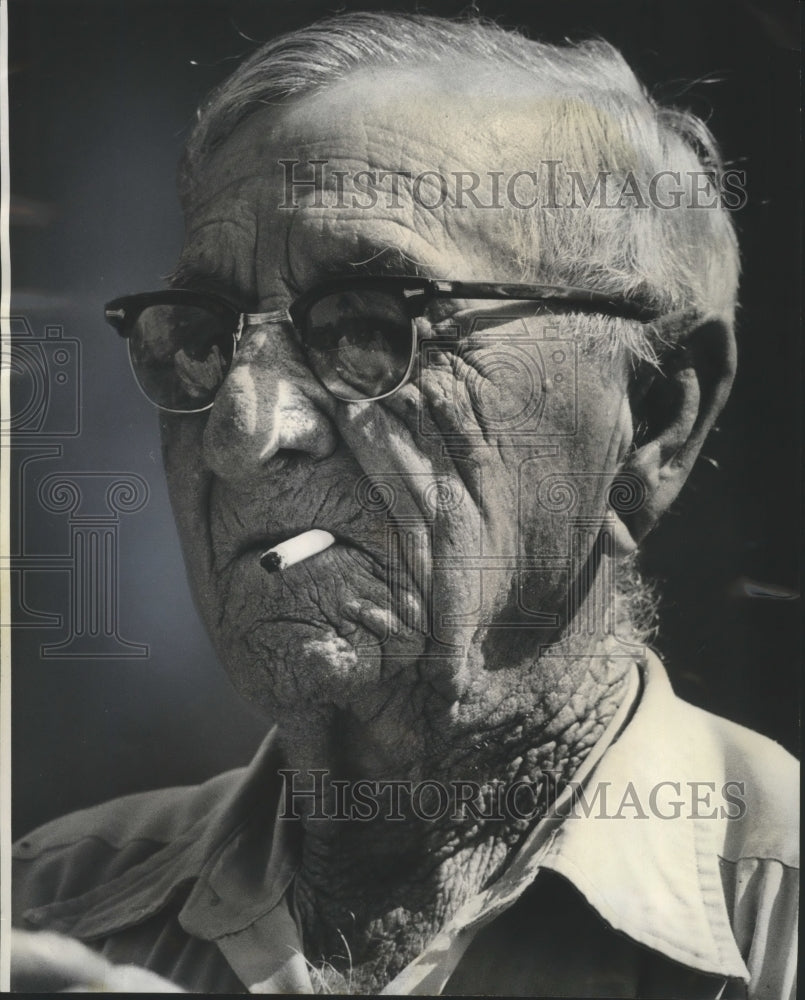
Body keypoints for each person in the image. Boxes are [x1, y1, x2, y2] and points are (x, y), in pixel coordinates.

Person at [11, 12, 798, 996]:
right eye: (204, 335)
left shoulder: (777, 922)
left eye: (369, 324)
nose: (241, 433)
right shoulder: (42, 903)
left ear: (650, 420)